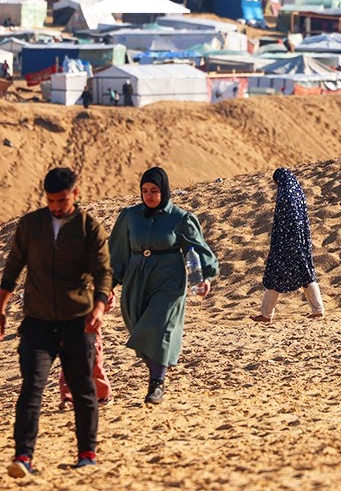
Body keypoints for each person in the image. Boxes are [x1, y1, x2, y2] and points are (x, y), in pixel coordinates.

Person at [0, 167, 111, 475]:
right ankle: (23, 457)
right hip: (37, 322)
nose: (56, 206)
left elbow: (103, 273)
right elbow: (12, 268)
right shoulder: (31, 225)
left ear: (76, 194)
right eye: (51, 200)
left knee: (82, 388)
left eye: (62, 200)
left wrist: (99, 308)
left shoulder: (89, 228)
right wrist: (1, 306)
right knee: (32, 387)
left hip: (78, 321)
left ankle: (87, 452)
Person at [109, 167, 218, 405]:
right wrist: (109, 284)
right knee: (140, 328)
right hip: (136, 278)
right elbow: (117, 251)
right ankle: (157, 369)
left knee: (160, 327)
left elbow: (198, 249)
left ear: (164, 190)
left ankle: (156, 383)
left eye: (154, 191)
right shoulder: (130, 216)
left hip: (168, 279)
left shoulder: (180, 218)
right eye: (145, 191)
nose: (149, 196)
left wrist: (205, 277)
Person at [251, 168, 324, 323]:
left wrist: (280, 242)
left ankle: (265, 315)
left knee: (275, 275)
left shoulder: (285, 194)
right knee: (306, 273)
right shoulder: (298, 193)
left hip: (286, 243)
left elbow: (284, 222)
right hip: (301, 242)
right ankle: (318, 310)